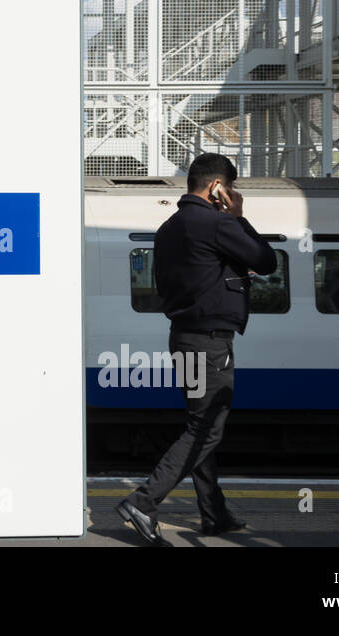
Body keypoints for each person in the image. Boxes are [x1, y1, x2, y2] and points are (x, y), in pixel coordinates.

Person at [115, 153, 277, 546]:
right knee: (205, 429)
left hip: (183, 338)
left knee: (199, 425)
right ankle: (143, 501)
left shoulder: (170, 226)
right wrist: (239, 216)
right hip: (209, 343)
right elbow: (266, 260)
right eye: (231, 188)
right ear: (218, 188)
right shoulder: (217, 222)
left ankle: (214, 514)